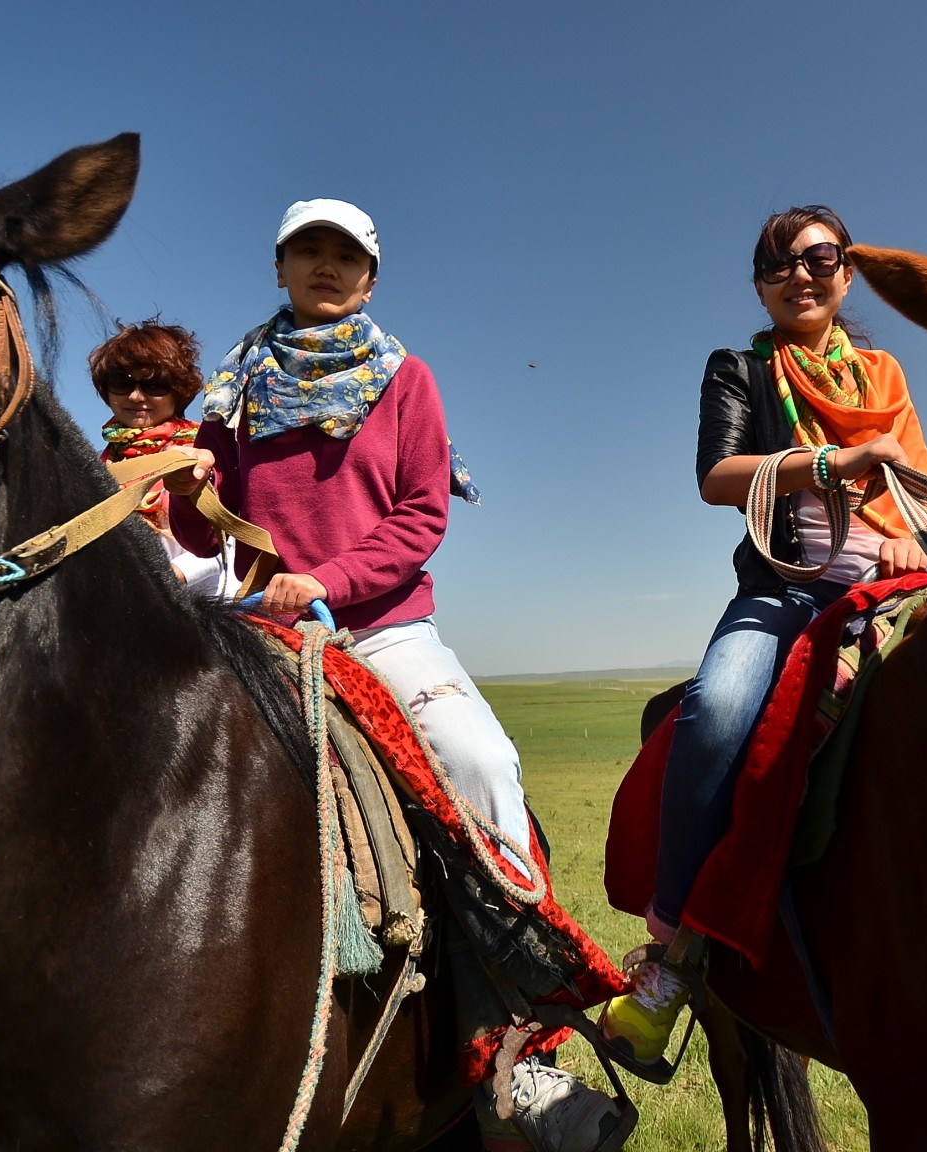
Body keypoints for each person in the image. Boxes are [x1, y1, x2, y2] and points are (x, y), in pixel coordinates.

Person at [161, 199, 624, 1152]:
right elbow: (207, 528)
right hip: (253, 628)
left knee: (482, 764)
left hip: (375, 628)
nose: (326, 267)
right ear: (279, 269)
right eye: (308, 252)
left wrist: (322, 579)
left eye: (346, 256)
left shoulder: (405, 380)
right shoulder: (234, 388)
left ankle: (522, 1044)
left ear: (369, 279)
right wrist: (179, 481)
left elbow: (421, 516)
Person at [600, 205, 927, 1067]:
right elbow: (718, 477)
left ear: (846, 274)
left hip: (893, 587)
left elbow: (924, 491)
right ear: (760, 284)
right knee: (716, 712)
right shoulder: (743, 369)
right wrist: (832, 463)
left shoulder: (884, 373)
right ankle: (672, 956)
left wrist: (910, 528)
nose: (803, 274)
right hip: (787, 593)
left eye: (822, 258)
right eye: (781, 264)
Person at [89, 321, 229, 598]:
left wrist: (167, 576)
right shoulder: (94, 466)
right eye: (121, 383)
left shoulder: (206, 451)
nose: (136, 396)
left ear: (179, 390)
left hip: (201, 610)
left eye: (154, 385)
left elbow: (231, 540)